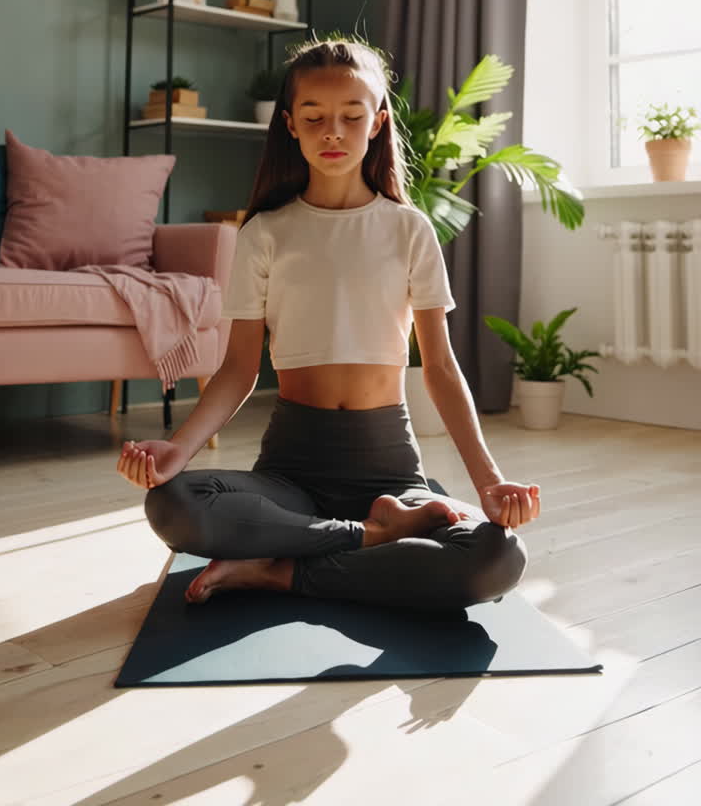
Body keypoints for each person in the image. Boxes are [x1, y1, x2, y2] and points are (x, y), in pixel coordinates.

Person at [117, 38, 539, 614]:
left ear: (378, 122)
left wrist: (489, 482)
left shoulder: (409, 230)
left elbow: (440, 367)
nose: (332, 133)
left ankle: (281, 570)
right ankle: (370, 538)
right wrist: (178, 449)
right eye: (314, 118)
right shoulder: (265, 233)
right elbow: (239, 368)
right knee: (174, 504)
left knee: (497, 557)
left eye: (351, 117)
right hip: (291, 472)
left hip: (390, 472)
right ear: (290, 125)